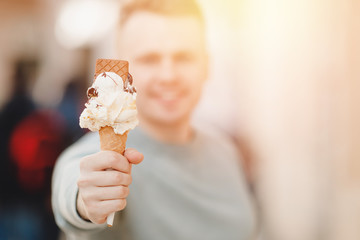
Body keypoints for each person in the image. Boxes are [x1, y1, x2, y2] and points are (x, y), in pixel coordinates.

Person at [51, 0, 257, 239]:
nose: (168, 76)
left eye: (184, 57)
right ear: (122, 71)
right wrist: (84, 204)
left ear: (207, 65)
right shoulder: (91, 158)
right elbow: (73, 194)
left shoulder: (225, 151)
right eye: (149, 59)